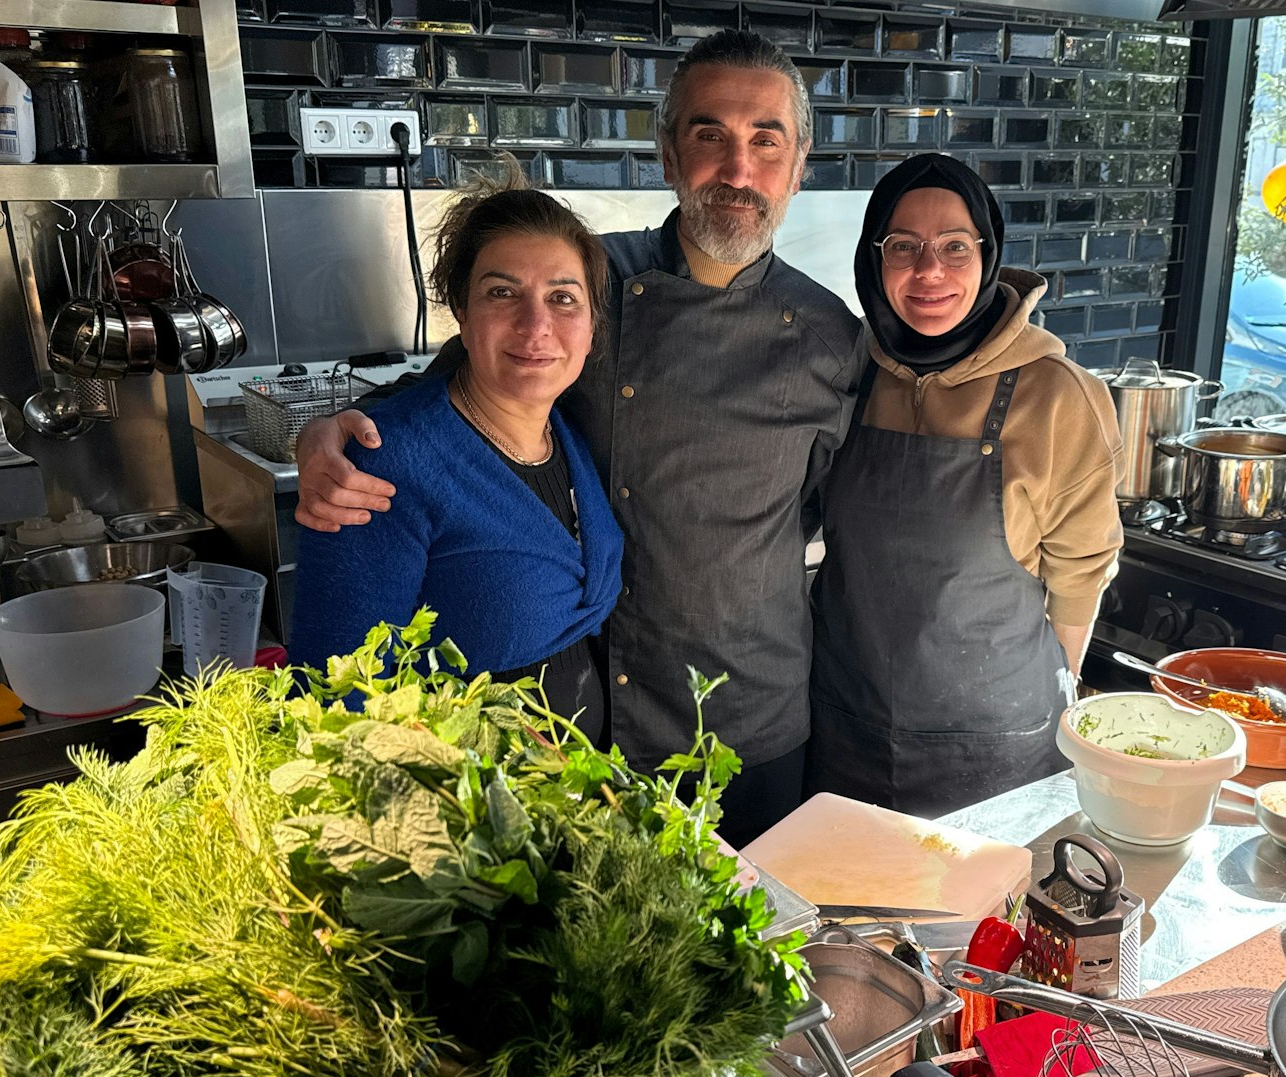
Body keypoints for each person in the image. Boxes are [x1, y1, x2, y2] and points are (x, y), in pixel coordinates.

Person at [290, 31, 863, 845]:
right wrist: (327, 436)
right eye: (709, 136)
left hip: (754, 721)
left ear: (799, 165)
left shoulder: (832, 338)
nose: (739, 170)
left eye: (765, 141)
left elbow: (835, 512)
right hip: (604, 730)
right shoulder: (589, 282)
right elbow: (461, 385)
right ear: (667, 154)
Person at [807, 154, 1124, 818]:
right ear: (875, 258)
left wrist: (1037, 708)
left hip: (994, 752)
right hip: (847, 732)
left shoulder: (1058, 395)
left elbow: (1079, 579)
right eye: (904, 246)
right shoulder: (847, 370)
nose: (930, 271)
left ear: (989, 253)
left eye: (955, 246)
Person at [289, 185, 623, 741]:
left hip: (578, 791)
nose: (535, 325)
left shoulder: (568, 432)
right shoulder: (383, 467)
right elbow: (334, 697)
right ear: (462, 316)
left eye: (563, 298)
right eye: (502, 293)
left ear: (591, 324)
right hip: (459, 810)